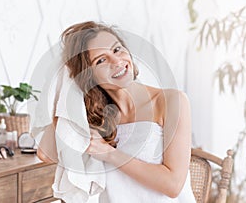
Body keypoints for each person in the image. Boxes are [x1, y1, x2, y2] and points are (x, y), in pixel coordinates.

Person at [37, 21, 196, 202]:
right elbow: (45, 153)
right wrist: (64, 88)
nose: (117, 62)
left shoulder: (171, 102)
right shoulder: (94, 116)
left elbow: (172, 185)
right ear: (88, 75)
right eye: (101, 60)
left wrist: (108, 153)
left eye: (117, 49)